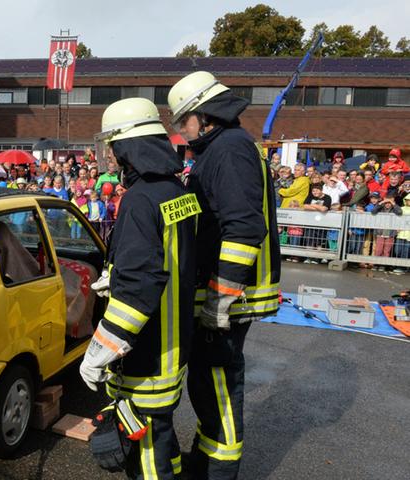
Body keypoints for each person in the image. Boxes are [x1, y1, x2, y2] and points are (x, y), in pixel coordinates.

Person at [168, 71, 280, 479]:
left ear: (206, 116)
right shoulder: (222, 149)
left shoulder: (229, 150)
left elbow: (243, 228)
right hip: (220, 292)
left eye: (185, 121)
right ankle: (204, 459)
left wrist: (221, 298)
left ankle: (218, 471)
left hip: (228, 298)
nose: (183, 131)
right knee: (206, 386)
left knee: (219, 387)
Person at [81, 97, 196, 479]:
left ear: (131, 149)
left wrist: (99, 350)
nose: (110, 159)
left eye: (114, 149)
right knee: (163, 442)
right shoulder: (177, 193)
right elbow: (167, 263)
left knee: (145, 454)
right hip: (174, 346)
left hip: (145, 355)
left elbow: (140, 285)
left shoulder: (140, 201)